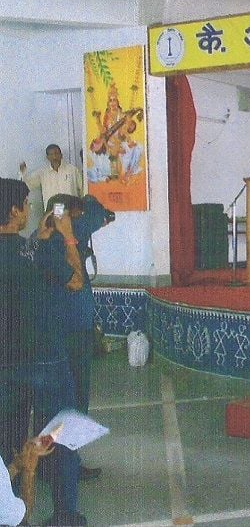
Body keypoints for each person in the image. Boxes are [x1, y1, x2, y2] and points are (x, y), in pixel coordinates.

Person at [0, 177, 86, 526]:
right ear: (15, 210)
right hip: (46, 358)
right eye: (26, 204)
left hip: (5, 363)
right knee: (59, 433)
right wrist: (66, 235)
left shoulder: (31, 248)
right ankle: (65, 513)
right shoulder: (35, 251)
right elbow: (76, 280)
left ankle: (12, 507)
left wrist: (38, 239)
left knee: (12, 436)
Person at [39, 193, 111, 481]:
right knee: (75, 402)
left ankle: (50, 462)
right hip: (73, 335)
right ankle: (66, 467)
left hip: (53, 332)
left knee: (53, 402)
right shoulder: (70, 235)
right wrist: (86, 202)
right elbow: (101, 212)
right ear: (71, 215)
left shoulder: (38, 240)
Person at [19, 144, 84, 206]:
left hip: (71, 210)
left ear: (61, 155)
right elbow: (27, 184)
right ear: (47, 157)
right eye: (51, 154)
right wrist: (23, 172)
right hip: (51, 212)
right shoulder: (42, 173)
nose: (54, 157)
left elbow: (83, 188)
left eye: (56, 153)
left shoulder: (72, 170)